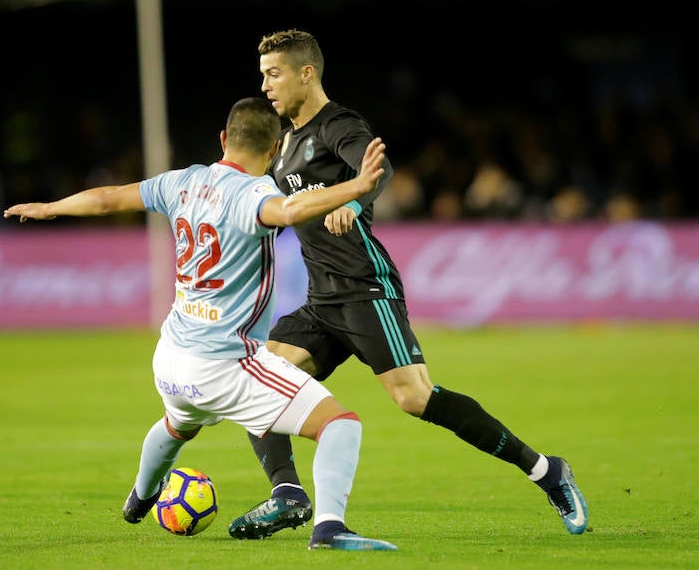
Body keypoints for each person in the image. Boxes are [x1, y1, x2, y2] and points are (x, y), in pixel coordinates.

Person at [227, 29, 588, 539]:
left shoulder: (339, 125)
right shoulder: (283, 145)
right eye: (262, 74)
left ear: (306, 73)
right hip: (319, 301)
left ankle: (547, 471)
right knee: (257, 382)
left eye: (274, 73)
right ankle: (287, 494)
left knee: (415, 398)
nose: (265, 85)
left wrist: (352, 203)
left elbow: (379, 169)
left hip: (364, 290)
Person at [4, 97, 397, 551]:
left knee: (178, 425)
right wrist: (358, 186)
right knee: (341, 424)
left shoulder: (182, 182)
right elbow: (289, 212)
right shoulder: (256, 194)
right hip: (225, 364)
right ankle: (330, 530)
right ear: (274, 152)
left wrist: (50, 208)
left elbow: (109, 198)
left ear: (224, 139)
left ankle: (140, 496)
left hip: (171, 358)